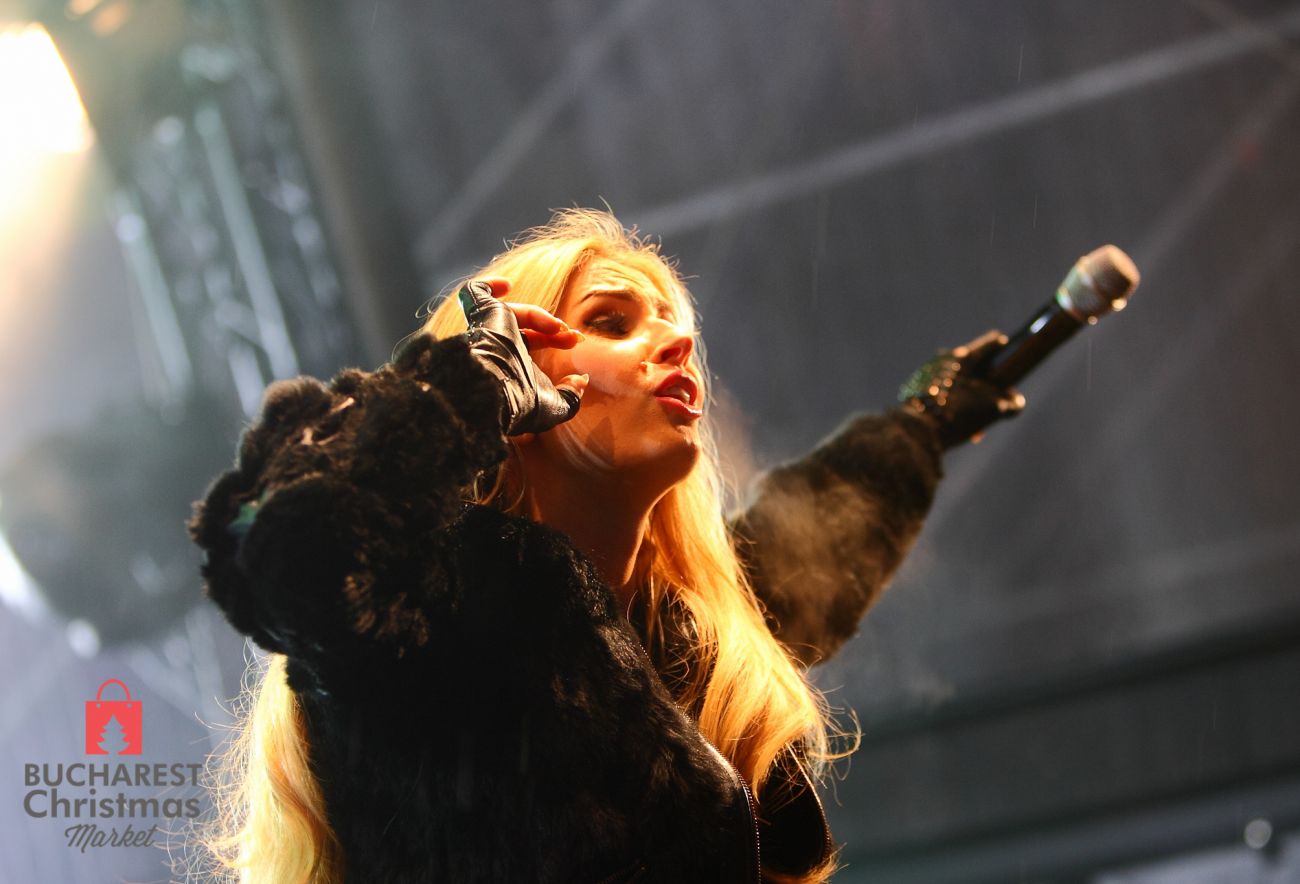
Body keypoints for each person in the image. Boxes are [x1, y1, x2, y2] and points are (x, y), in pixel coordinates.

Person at [188, 208, 1022, 883]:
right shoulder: (421, 621)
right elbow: (283, 537)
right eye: (612, 321)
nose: (676, 342)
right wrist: (461, 392)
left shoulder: (677, 640)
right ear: (519, 365)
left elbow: (807, 548)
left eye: (674, 323)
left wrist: (925, 422)